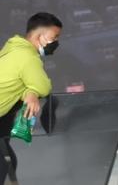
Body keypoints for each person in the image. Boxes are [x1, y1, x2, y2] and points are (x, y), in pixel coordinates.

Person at [0, 12, 62, 184]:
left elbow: (17, 81)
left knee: (8, 161)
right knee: (4, 165)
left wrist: (29, 92)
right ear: (40, 36)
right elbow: (43, 86)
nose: (56, 42)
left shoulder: (13, 48)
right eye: (54, 37)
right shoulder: (28, 57)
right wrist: (33, 91)